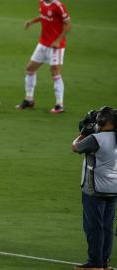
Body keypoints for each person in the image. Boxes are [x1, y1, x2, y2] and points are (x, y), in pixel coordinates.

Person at [72, 106, 117, 270]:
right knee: (107, 226)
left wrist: (83, 134)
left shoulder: (95, 139)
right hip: (113, 189)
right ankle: (104, 263)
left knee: (94, 227)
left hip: (95, 189)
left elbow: (75, 147)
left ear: (104, 121)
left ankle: (95, 263)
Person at [16, 0, 71, 113]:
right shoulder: (41, 3)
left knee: (55, 71)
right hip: (43, 44)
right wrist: (32, 21)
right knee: (30, 68)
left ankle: (59, 105)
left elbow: (68, 24)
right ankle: (29, 100)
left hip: (56, 46)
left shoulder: (58, 5)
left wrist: (58, 41)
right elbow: (44, 16)